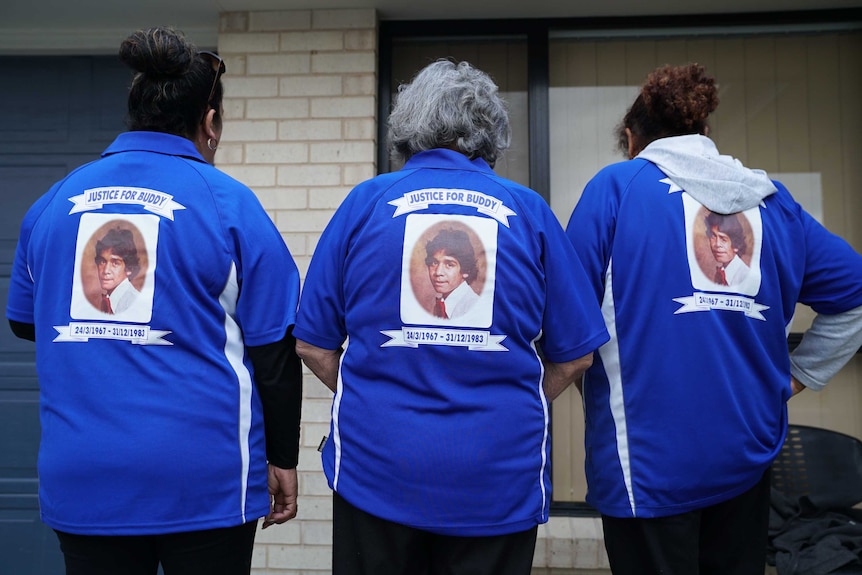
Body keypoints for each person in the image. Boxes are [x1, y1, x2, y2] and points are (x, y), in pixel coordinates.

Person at [6, 26, 303, 575]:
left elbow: (26, 322)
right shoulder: (229, 204)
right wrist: (283, 458)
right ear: (209, 123)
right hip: (203, 481)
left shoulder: (54, 201)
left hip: (84, 475)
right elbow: (275, 351)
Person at [293, 59, 609, 575]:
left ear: (409, 125)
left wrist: (374, 389)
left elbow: (312, 344)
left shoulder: (366, 203)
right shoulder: (528, 211)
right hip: (497, 480)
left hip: (378, 473)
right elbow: (575, 358)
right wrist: (518, 391)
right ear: (490, 132)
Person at [565, 63, 862, 575]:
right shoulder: (775, 203)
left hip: (648, 465)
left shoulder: (616, 188)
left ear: (633, 139)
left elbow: (569, 322)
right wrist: (796, 377)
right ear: (705, 133)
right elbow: (855, 296)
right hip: (746, 458)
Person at [424, 227, 480, 319]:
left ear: (465, 270)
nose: (438, 272)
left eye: (449, 265)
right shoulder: (442, 305)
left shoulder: (475, 309)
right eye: (434, 263)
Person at [94, 226, 142, 315]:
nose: (106, 271)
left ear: (129, 268)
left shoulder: (136, 304)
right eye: (102, 262)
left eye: (115, 263)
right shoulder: (108, 301)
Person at [704, 211, 750, 287]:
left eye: (723, 239)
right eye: (713, 236)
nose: (717, 244)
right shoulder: (721, 273)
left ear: (736, 246)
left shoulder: (746, 277)